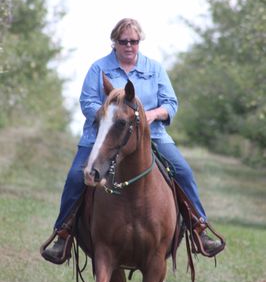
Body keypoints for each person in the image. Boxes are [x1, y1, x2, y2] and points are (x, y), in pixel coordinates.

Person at [41, 18, 225, 264]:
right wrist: (111, 117)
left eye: (134, 41)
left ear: (139, 42)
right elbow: (87, 103)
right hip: (102, 137)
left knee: (183, 171)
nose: (129, 46)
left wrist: (153, 114)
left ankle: (198, 229)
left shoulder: (155, 69)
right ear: (114, 42)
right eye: (123, 41)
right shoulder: (99, 69)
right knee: (77, 176)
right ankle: (63, 234)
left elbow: (171, 103)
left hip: (153, 136)